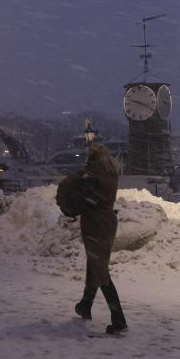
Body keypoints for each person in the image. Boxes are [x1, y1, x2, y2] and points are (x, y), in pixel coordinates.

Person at [70, 143, 126, 335]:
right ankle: (85, 305)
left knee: (100, 269)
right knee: (95, 263)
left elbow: (89, 200)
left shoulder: (95, 175)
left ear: (92, 156)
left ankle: (118, 319)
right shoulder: (110, 173)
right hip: (107, 222)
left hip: (95, 223)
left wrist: (71, 205)